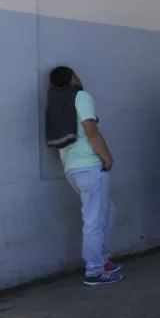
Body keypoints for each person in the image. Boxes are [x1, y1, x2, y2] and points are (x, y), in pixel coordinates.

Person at [45, 66, 123, 286]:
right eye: (77, 75)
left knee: (107, 212)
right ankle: (95, 271)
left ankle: (102, 259)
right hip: (89, 166)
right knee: (94, 221)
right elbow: (91, 130)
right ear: (72, 79)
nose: (81, 78)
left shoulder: (57, 103)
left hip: (72, 168)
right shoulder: (81, 96)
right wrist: (107, 157)